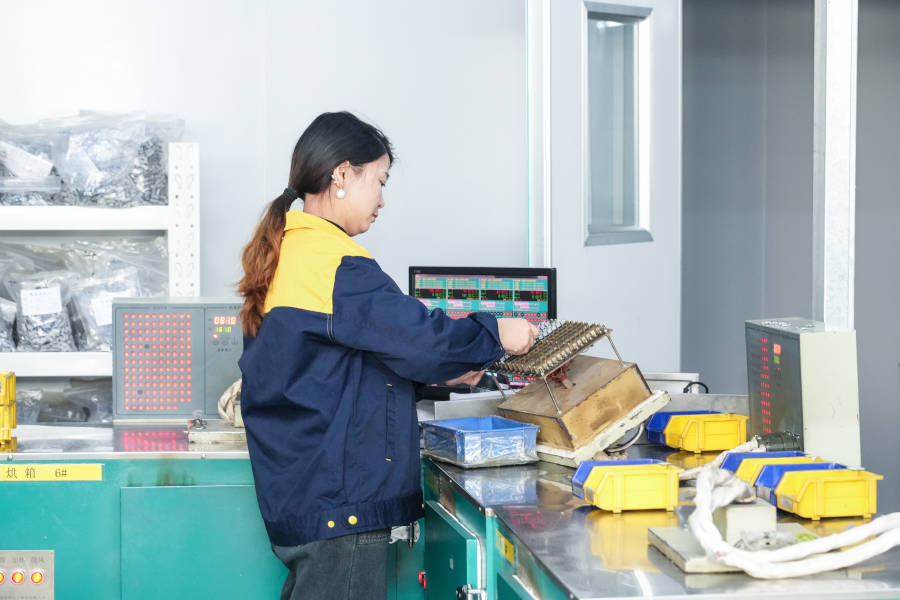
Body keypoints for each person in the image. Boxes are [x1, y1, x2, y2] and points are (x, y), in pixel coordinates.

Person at [237, 111, 538, 600]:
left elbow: (328, 370)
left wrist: (439, 377)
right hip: (340, 506)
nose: (382, 199)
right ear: (342, 175)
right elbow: (422, 340)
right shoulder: (334, 263)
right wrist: (497, 333)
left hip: (308, 494)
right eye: (379, 180)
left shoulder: (290, 250)